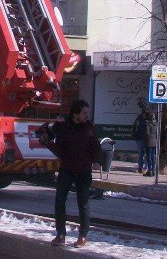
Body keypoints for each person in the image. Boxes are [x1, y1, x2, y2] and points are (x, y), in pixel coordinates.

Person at [38, 99, 102, 248]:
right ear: (75, 114)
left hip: (84, 170)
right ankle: (60, 234)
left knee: (83, 203)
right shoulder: (64, 128)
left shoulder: (89, 128)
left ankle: (83, 236)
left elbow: (96, 146)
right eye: (84, 113)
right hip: (67, 168)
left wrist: (97, 161)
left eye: (87, 112)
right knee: (60, 201)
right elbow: (60, 151)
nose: (87, 115)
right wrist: (48, 143)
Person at [131, 100, 148, 174]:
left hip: (146, 139)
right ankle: (141, 167)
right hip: (140, 138)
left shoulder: (148, 118)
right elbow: (135, 126)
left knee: (145, 154)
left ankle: (145, 167)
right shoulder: (139, 118)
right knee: (141, 153)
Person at [143, 109, 158, 177]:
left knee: (149, 157)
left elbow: (147, 133)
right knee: (153, 157)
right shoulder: (155, 124)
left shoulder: (148, 123)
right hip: (154, 142)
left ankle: (150, 171)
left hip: (148, 141)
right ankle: (153, 171)